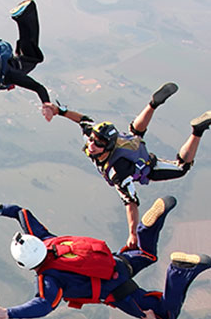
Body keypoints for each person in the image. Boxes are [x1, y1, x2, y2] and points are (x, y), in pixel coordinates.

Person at [0, 197, 211, 319]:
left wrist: (7, 313)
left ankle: (178, 271)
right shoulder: (46, 239)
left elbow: (42, 305)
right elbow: (21, 212)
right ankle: (146, 227)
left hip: (120, 292)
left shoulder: (48, 279)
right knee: (147, 254)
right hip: (118, 262)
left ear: (24, 264)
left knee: (165, 316)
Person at [49, 83, 211, 247]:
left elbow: (131, 202)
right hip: (129, 143)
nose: (92, 145)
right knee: (135, 133)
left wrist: (132, 234)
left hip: (145, 165)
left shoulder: (118, 172)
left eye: (98, 144)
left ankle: (197, 131)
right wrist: (60, 111)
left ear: (108, 146)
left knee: (182, 167)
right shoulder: (93, 134)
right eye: (91, 140)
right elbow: (82, 120)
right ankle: (153, 103)